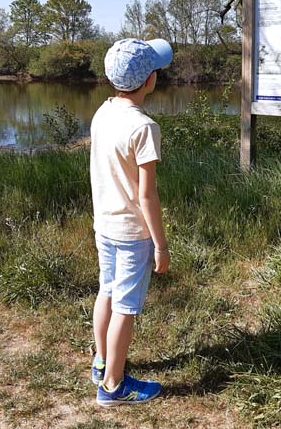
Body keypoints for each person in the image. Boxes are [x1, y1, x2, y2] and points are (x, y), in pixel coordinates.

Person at [89, 38, 173, 407]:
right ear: (151, 80)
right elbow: (146, 196)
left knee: (106, 290)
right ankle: (112, 386)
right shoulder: (144, 127)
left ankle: (102, 360)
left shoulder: (103, 112)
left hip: (104, 225)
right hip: (132, 233)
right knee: (126, 305)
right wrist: (160, 244)